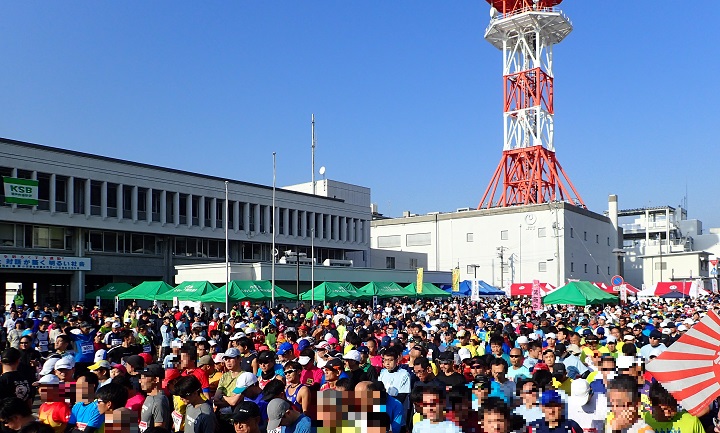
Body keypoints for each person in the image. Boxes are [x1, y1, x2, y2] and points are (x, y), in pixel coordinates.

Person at [139, 364, 170, 432]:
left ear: (156, 380)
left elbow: (159, 430)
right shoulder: (150, 396)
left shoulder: (159, 402)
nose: (140, 381)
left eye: (144, 377)